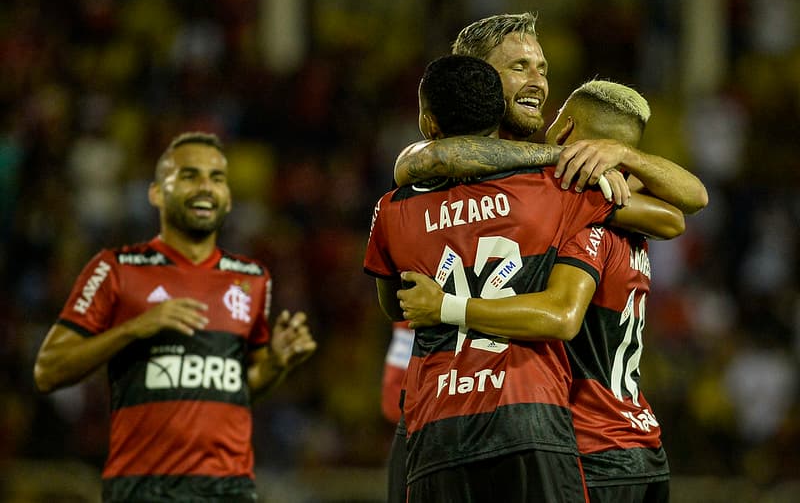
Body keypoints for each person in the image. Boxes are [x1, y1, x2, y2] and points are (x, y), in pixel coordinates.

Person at [365, 54, 682, 502]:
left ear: (427, 123)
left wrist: (443, 304)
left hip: (436, 422)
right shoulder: (553, 191)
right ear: (499, 114)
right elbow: (675, 217)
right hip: (534, 416)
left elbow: (393, 304)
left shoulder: (391, 209)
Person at [33, 132, 317, 502]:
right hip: (142, 487)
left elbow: (240, 388)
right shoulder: (116, 269)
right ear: (155, 193)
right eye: (189, 175)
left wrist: (276, 364)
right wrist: (134, 328)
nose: (205, 187)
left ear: (228, 197)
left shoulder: (252, 279)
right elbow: (48, 371)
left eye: (216, 178)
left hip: (228, 488)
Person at [393, 12, 708, 215]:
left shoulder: (564, 178)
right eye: (520, 67)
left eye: (542, 70)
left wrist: (626, 154)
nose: (538, 83)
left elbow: (691, 200)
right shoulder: (434, 171)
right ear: (479, 76)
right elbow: (435, 157)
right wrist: (558, 156)